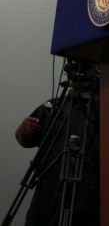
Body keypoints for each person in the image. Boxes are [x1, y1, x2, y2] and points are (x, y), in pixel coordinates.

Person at [14, 89, 100, 226]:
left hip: (87, 207)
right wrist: (23, 130)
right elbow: (23, 139)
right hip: (46, 203)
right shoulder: (56, 106)